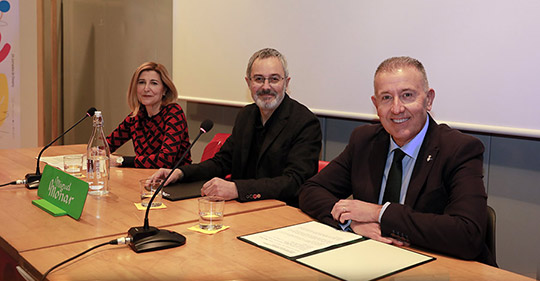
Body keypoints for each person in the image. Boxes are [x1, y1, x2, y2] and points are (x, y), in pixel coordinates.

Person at [299, 56, 494, 263]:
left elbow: (468, 235)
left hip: (441, 275)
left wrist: (378, 213)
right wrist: (353, 223)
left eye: (407, 95)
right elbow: (310, 190)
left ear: (428, 99)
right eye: (386, 98)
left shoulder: (459, 149)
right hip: (375, 263)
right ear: (375, 105)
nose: (397, 109)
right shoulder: (365, 141)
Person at [148, 48, 321, 205]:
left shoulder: (305, 122)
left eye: (274, 79)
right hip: (240, 210)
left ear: (286, 82)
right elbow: (222, 162)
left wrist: (237, 189)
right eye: (259, 79)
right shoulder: (246, 115)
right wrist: (180, 173)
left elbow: (294, 182)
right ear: (248, 83)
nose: (266, 87)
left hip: (281, 213)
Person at [107, 61, 190, 170]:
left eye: (154, 83)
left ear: (164, 90)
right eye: (141, 82)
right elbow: (107, 145)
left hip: (175, 182)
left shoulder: (174, 113)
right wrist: (98, 151)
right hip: (145, 178)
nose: (146, 88)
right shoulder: (136, 116)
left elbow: (165, 160)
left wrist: (120, 160)